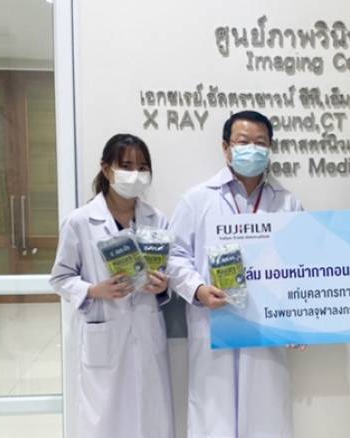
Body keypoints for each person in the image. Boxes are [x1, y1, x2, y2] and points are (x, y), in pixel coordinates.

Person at [168, 110, 303, 438]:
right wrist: (198, 289)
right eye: (243, 142)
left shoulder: (287, 204)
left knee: (266, 415)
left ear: (270, 149)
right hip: (214, 323)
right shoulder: (197, 199)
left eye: (261, 143)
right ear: (226, 147)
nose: (252, 149)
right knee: (215, 418)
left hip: (266, 327)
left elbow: (302, 265)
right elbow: (174, 256)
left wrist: (299, 318)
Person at [50, 134, 174, 438]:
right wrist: (95, 290)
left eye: (142, 167)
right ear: (106, 169)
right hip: (104, 330)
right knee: (105, 419)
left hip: (146, 329)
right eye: (126, 166)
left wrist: (162, 286)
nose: (135, 174)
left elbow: (168, 269)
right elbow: (60, 278)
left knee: (150, 417)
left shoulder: (156, 219)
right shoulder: (80, 221)